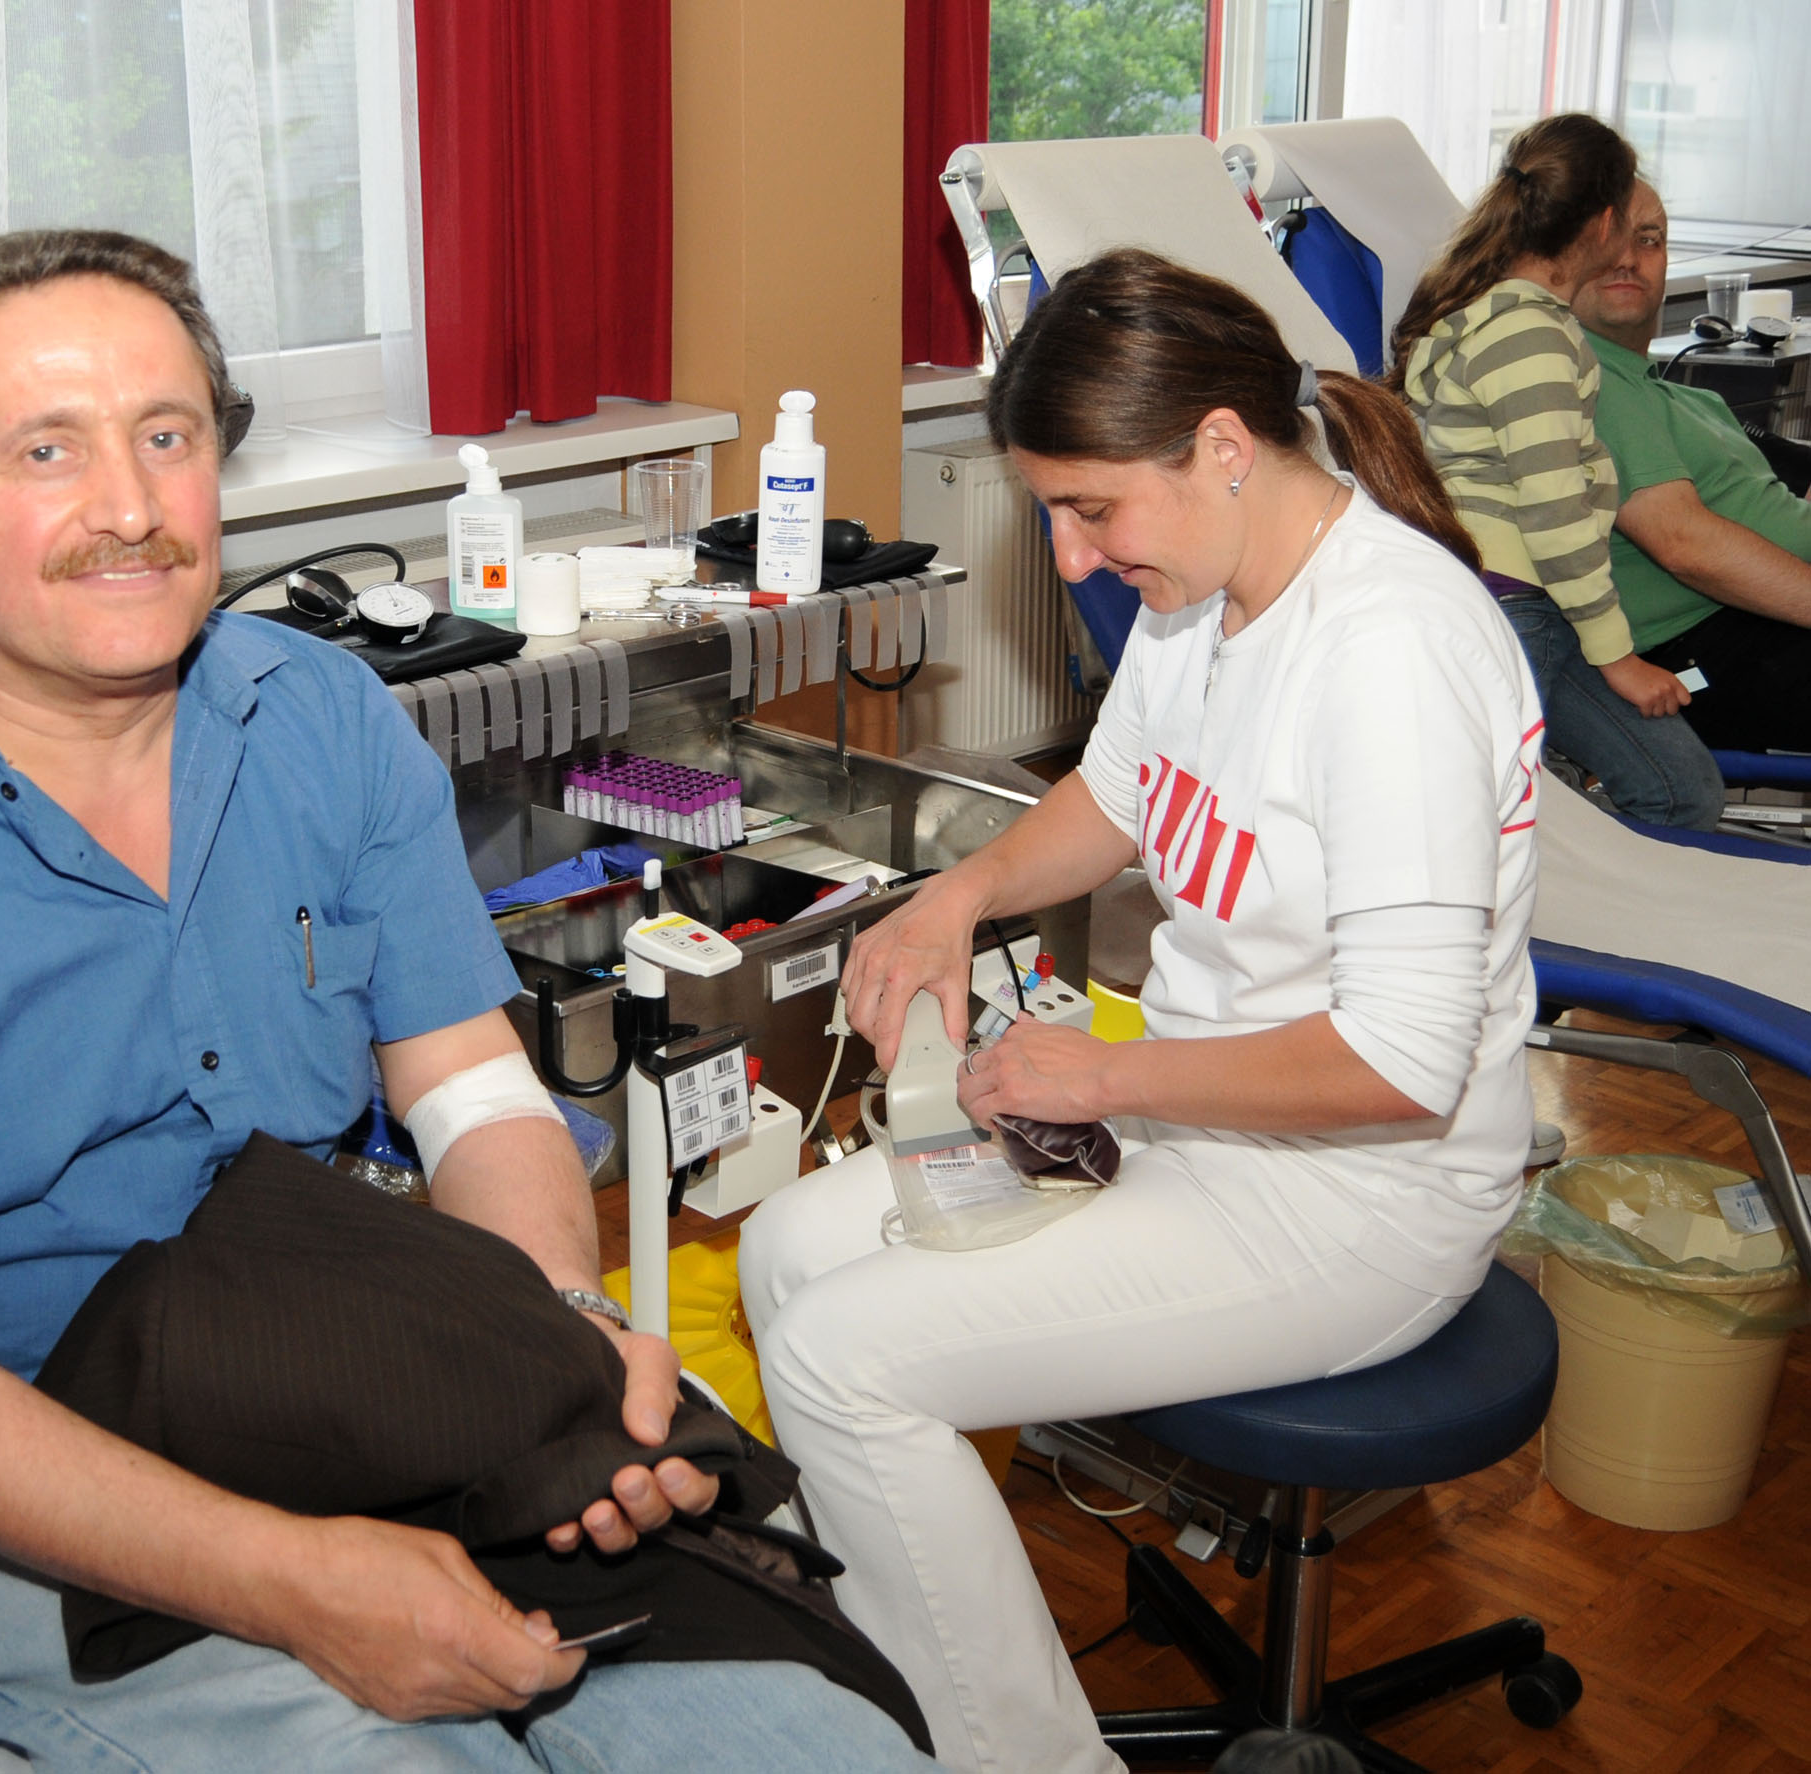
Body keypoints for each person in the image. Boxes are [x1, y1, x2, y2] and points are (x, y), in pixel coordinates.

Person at [0, 229, 929, 1773]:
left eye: (165, 436)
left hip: (303, 1341)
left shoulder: (318, 714)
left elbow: (473, 1092)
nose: (128, 506)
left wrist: (553, 1341)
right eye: (46, 449)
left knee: (802, 1733)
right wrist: (303, 1582)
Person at [741, 248, 1544, 1774]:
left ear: (1222, 446)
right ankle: (911, 1694)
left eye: (1088, 507)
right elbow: (1114, 799)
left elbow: (1400, 1066)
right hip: (1192, 1126)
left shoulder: (1391, 654)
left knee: (847, 1362)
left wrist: (1104, 1077)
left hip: (1361, 1199)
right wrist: (957, 894)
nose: (1070, 557)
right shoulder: (1202, 600)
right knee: (785, 1252)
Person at [1392, 113, 1723, 830]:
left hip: (1537, 603)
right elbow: (1554, 512)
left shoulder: (1501, 319)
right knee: (1478, 816)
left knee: (1680, 789)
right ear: (1604, 225)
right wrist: (1618, 657)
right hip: (1512, 602)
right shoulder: (1530, 337)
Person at [1571, 178, 1811, 756]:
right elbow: (1685, 546)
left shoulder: (1683, 400)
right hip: (1694, 654)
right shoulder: (1582, 380)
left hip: (1759, 619)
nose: (1628, 258)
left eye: (1648, 239)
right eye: (1603, 240)